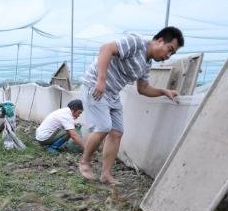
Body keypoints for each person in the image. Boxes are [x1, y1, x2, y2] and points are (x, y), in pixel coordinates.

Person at [78, 26, 184, 185]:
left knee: (117, 132)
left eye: (172, 53)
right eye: (169, 49)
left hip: (113, 94)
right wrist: (101, 80)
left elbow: (143, 89)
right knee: (103, 127)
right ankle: (84, 162)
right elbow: (106, 48)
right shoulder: (136, 42)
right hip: (95, 87)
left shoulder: (146, 64)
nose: (168, 56)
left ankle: (105, 174)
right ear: (159, 41)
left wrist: (163, 91)